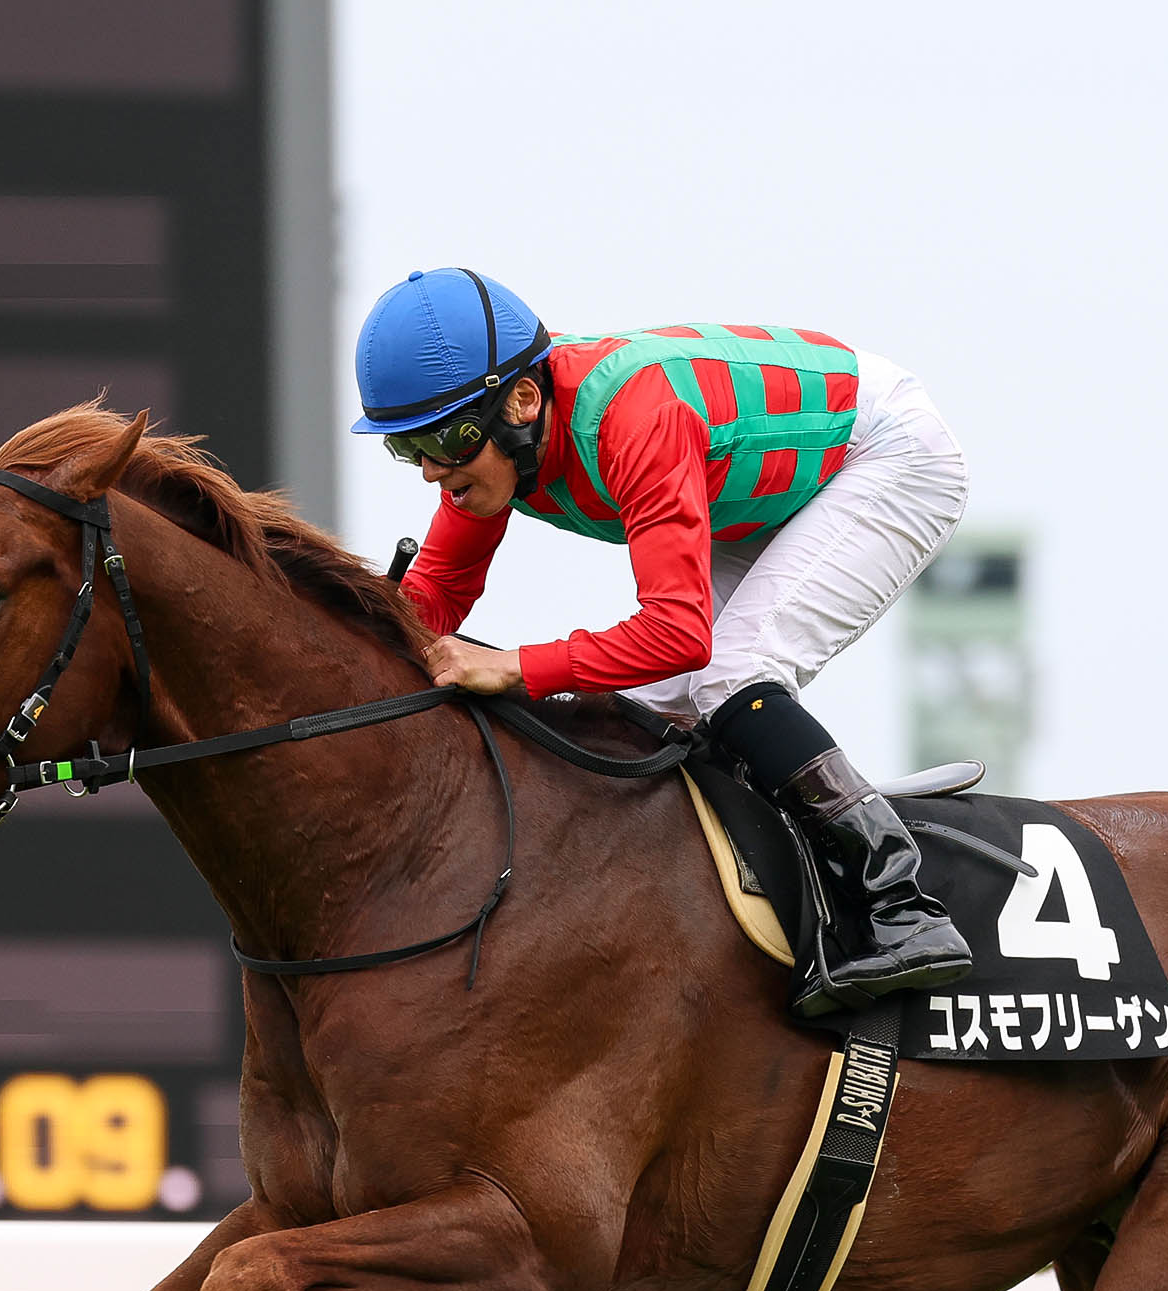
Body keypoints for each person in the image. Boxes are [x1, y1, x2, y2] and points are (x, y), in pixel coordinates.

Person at [350, 267, 973, 1018]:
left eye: (445, 439)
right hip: (753, 491)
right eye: (407, 446)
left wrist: (515, 667)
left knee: (730, 672)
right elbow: (436, 596)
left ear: (522, 402)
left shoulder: (634, 419)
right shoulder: (498, 437)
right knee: (640, 713)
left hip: (882, 452)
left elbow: (679, 636)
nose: (430, 470)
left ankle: (900, 904)